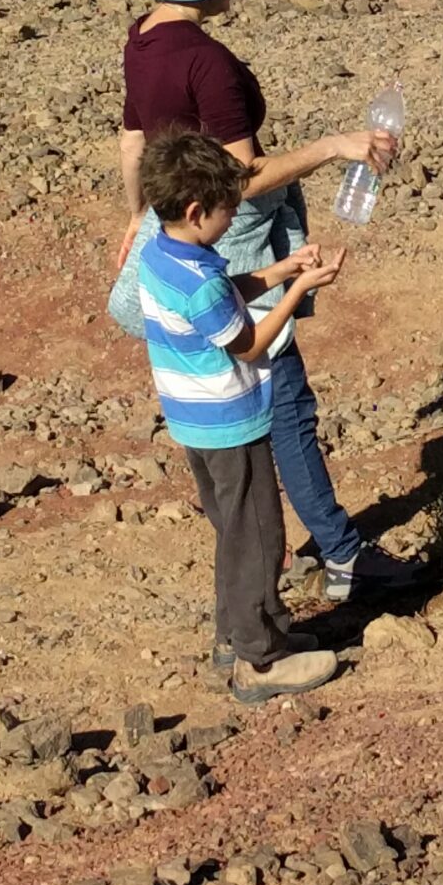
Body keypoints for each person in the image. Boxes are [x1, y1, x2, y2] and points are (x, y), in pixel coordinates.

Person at [114, 0, 422, 604]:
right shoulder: (209, 62)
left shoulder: (142, 41)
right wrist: (332, 148)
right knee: (280, 390)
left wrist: (138, 213)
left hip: (180, 225)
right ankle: (340, 552)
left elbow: (132, 137)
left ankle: (287, 551)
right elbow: (241, 177)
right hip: (235, 230)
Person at [136, 130, 346, 703]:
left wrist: (280, 269)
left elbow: (227, 293)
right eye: (230, 211)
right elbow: (250, 343)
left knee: (232, 533)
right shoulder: (201, 282)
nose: (234, 220)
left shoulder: (161, 253)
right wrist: (299, 286)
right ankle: (261, 661)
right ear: (197, 210)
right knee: (258, 537)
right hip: (233, 422)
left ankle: (237, 634)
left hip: (193, 423)